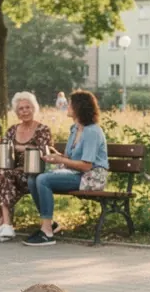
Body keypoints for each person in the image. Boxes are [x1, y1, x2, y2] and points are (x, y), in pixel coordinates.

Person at [25, 90, 108, 247]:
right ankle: (49, 224)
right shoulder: (75, 129)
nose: (67, 106)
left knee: (43, 179)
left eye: (70, 104)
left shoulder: (92, 132)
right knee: (33, 179)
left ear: (79, 107)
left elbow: (86, 165)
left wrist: (60, 160)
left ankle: (47, 232)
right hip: (77, 173)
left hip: (91, 177)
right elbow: (71, 158)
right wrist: (55, 157)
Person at [0, 92, 53, 242]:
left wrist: (20, 148)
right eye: (21, 109)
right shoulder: (12, 130)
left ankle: (2, 223)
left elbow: (44, 151)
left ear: (34, 108)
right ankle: (6, 224)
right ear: (17, 113)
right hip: (12, 175)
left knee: (1, 178)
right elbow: (4, 151)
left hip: (33, 174)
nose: (25, 111)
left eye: (28, 107)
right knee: (1, 174)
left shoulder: (42, 129)